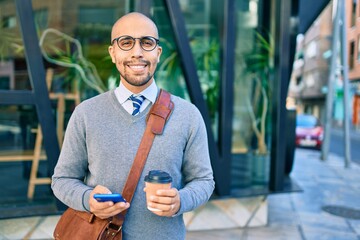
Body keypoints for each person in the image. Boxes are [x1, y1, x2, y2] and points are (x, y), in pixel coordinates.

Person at [51, 12, 214, 239]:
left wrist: (180, 201)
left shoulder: (188, 115)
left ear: (157, 52)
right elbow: (62, 181)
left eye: (146, 43)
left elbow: (204, 181)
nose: (137, 52)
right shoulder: (85, 113)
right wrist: (87, 200)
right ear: (113, 52)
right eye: (126, 43)